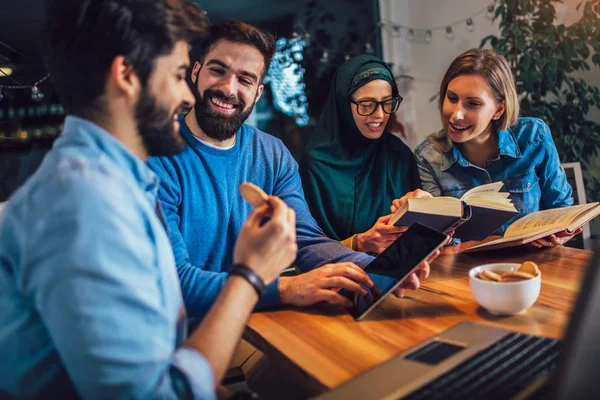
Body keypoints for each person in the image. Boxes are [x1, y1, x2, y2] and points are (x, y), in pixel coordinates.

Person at [0, 1, 297, 398]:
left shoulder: (118, 183)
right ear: (126, 75)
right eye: (177, 75)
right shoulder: (86, 205)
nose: (187, 96)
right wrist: (250, 275)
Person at [147, 21, 431, 319]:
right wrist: (286, 288)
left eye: (245, 79)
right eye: (218, 70)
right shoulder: (158, 154)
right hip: (190, 335)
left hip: (258, 321)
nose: (229, 88)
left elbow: (306, 240)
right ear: (195, 73)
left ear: (258, 93)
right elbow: (175, 281)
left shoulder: (272, 154)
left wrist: (373, 269)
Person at [414, 48, 581, 247]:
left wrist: (560, 232)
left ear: (498, 109)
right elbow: (438, 239)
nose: (456, 114)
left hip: (536, 266)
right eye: (452, 98)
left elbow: (561, 208)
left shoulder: (534, 136)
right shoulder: (428, 157)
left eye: (473, 104)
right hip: (467, 272)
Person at [299, 55, 431, 254]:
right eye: (367, 104)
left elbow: (418, 235)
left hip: (401, 272)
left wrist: (425, 210)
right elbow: (306, 250)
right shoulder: (317, 163)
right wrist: (360, 242)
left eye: (387, 103)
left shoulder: (398, 155)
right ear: (344, 104)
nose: (379, 115)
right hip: (334, 277)